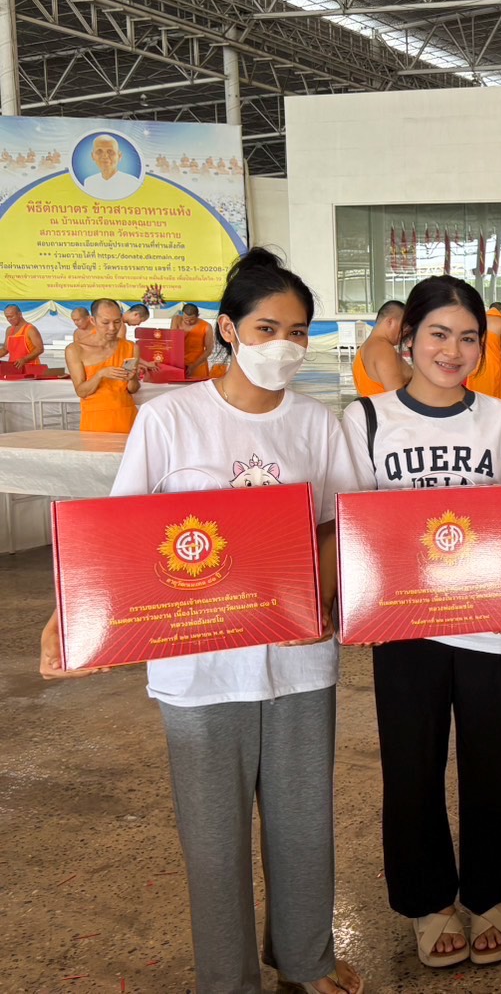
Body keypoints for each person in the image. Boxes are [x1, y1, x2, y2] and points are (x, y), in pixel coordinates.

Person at [39, 249, 365, 994]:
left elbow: (338, 527)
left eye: (299, 330)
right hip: (198, 668)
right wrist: (70, 616)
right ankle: (227, 978)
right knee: (214, 839)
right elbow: (118, 535)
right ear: (228, 328)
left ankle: (307, 961)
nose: (284, 344)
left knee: (302, 822)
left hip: (297, 661)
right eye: (267, 326)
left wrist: (317, 602)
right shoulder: (170, 420)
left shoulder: (318, 425)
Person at [341, 276, 501, 969]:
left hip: (489, 624)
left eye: (467, 337)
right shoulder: (365, 421)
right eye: (438, 334)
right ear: (407, 337)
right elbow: (352, 526)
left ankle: (490, 895)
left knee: (492, 763)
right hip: (405, 627)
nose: (453, 350)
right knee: (411, 767)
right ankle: (427, 902)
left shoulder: (500, 422)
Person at [64, 298, 141, 433]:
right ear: (93, 321)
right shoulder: (75, 350)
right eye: (105, 322)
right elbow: (81, 391)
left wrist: (133, 378)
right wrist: (100, 374)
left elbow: (132, 389)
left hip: (126, 415)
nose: (112, 328)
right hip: (96, 418)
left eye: (117, 322)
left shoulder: (130, 347)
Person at [352, 300, 409, 396]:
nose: (405, 332)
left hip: (374, 409)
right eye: (404, 326)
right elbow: (398, 398)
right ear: (390, 321)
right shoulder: (383, 349)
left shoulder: (363, 349)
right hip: (389, 410)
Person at [466, 301, 501, 404]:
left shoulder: (475, 320)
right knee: (495, 403)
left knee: (476, 402)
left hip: (474, 368)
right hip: (493, 368)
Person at [82, 134, 143, 199]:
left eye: (110, 151)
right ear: (92, 156)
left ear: (119, 156)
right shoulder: (89, 182)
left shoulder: (132, 183)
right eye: (99, 151)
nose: (105, 156)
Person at [171, 303, 215, 378]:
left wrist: (194, 366)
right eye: (185, 319)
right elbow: (172, 340)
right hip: (179, 364)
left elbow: (209, 350)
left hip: (198, 364)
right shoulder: (176, 320)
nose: (188, 322)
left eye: (192, 320)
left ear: (198, 316)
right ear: (182, 314)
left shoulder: (206, 326)